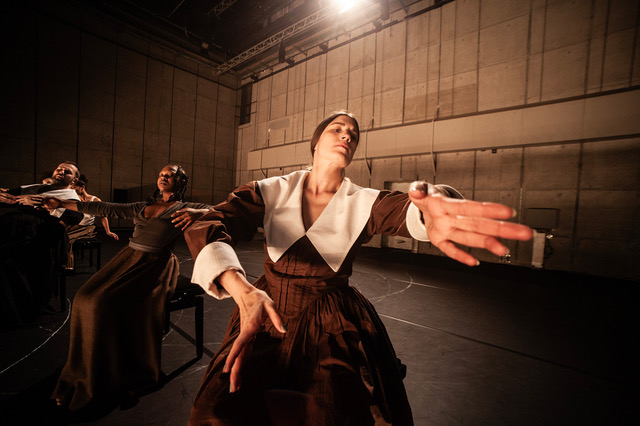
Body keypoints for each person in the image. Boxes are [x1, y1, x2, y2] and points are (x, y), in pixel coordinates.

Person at [182, 111, 534, 425]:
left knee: (331, 413)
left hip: (331, 323)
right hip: (262, 310)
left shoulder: (365, 201)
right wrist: (241, 289)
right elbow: (210, 222)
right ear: (316, 142)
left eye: (353, 134)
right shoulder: (271, 190)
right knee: (214, 412)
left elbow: (409, 210)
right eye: (337, 129)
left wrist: (436, 203)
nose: (347, 135)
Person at [42, 165, 213, 412]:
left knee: (100, 304)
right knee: (83, 297)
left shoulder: (188, 207)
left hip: (154, 264)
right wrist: (59, 203)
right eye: (161, 174)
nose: (164, 176)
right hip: (128, 258)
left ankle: (104, 375)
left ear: (181, 182)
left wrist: (199, 213)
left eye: (171, 174)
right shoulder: (142, 206)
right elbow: (103, 208)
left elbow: (222, 210)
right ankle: (82, 368)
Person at [0, 162, 84, 325]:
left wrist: (44, 206)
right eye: (59, 168)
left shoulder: (71, 196)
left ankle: (17, 311)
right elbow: (8, 196)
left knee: (11, 262)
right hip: (14, 229)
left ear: (74, 180)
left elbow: (76, 217)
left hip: (41, 235)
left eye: (67, 171)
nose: (61, 171)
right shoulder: (34, 187)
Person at [72, 174, 119, 240]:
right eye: (71, 188)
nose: (72, 190)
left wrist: (108, 232)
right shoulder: (75, 199)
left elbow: (103, 217)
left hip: (87, 228)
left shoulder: (95, 200)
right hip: (76, 226)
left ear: (82, 187)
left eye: (74, 187)